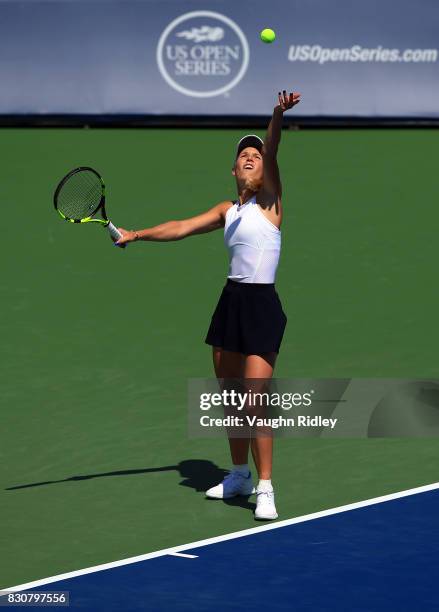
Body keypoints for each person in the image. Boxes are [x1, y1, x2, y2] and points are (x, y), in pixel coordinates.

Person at [115, 90, 301, 520]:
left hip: (261, 304)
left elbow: (272, 147)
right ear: (233, 169)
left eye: (257, 153)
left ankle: (267, 487)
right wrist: (136, 234)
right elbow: (181, 226)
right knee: (232, 396)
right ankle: (239, 474)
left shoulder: (271, 201)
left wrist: (275, 115)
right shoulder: (227, 210)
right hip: (230, 300)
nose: (252, 156)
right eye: (244, 155)